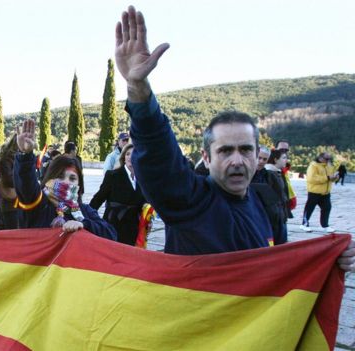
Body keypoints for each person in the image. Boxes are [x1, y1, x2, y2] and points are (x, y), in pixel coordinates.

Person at [113, 5, 353, 270]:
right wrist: (138, 88)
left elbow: (285, 268)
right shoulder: (189, 200)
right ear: (206, 157)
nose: (237, 160)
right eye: (225, 151)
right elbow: (159, 156)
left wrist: (330, 260)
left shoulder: (267, 201)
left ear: (257, 152)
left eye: (245, 149)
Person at [13, 119, 117, 240]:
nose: (66, 182)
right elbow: (26, 184)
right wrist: (25, 155)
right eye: (60, 176)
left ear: (79, 184)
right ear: (49, 177)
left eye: (72, 178)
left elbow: (111, 234)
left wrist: (84, 225)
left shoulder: (84, 211)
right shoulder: (38, 204)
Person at [90, 143, 146, 245]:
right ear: (124, 157)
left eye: (134, 154)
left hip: (133, 226)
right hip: (113, 224)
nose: (130, 157)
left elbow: (145, 203)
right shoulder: (112, 175)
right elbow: (98, 198)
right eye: (128, 154)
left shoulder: (143, 180)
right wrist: (88, 218)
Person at [300, 153, 338, 233]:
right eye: (326, 159)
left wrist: (335, 177)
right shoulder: (313, 166)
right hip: (314, 192)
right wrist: (327, 178)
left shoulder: (329, 166)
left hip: (325, 192)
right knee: (309, 208)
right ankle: (304, 224)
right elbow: (312, 178)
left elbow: (330, 178)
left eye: (329, 159)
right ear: (320, 157)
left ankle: (325, 225)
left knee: (327, 208)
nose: (328, 160)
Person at [0, 134, 22, 229]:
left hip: (20, 202)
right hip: (10, 203)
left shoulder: (20, 157)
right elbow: (8, 180)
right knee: (14, 233)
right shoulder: (6, 159)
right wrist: (23, 179)